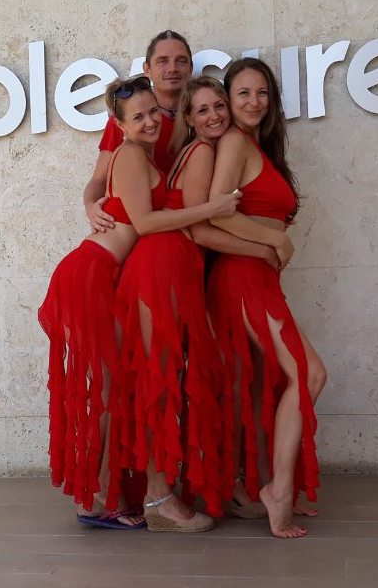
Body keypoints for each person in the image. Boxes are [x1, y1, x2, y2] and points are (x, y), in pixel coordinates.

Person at [38, 74, 238, 530]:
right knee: (108, 390)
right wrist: (212, 209)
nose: (149, 122)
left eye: (153, 113)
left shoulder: (141, 155)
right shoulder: (128, 155)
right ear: (121, 126)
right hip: (90, 274)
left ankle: (100, 498)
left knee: (113, 390)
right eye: (138, 117)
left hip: (103, 273)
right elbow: (145, 224)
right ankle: (99, 500)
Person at [206, 57, 328, 539]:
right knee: (309, 373)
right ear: (229, 99)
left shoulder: (258, 146)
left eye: (262, 93)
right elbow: (218, 212)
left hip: (259, 278)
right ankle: (277, 490)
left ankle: (270, 485)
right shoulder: (234, 141)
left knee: (272, 384)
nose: (254, 101)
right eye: (243, 93)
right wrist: (274, 239)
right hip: (242, 277)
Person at [164, 77, 284, 520]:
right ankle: (213, 487)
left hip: (193, 272)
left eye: (218, 105)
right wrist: (265, 248)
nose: (215, 115)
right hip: (180, 272)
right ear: (189, 118)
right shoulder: (202, 152)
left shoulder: (209, 151)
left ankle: (223, 484)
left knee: (224, 383)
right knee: (215, 386)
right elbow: (202, 231)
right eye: (203, 110)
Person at [83, 30, 194, 233]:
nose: (172, 68)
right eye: (162, 61)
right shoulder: (126, 124)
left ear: (191, 68)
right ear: (147, 69)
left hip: (187, 230)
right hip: (137, 235)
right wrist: (91, 207)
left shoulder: (202, 119)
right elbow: (99, 179)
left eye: (181, 61)